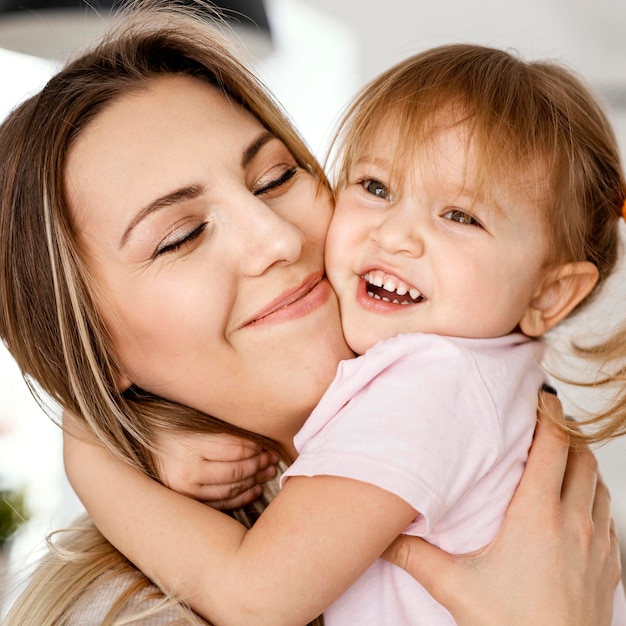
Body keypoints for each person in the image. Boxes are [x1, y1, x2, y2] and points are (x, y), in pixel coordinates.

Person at [0, 2, 621, 624]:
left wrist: (93, 458)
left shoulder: (434, 386)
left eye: (274, 179)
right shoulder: (131, 611)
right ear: (90, 348)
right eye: (180, 236)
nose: (277, 239)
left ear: (549, 294)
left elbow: (250, 596)